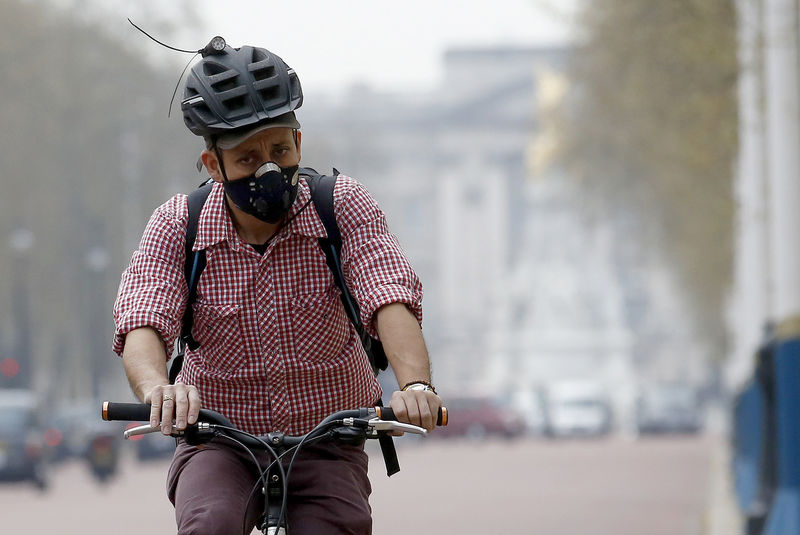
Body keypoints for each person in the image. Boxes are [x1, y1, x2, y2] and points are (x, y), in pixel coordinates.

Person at [112, 41, 441, 535]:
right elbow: (144, 316)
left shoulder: (342, 207)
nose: (268, 169)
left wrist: (415, 384)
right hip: (216, 440)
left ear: (299, 144)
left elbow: (386, 292)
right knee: (209, 524)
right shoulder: (178, 225)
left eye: (280, 150)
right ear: (211, 164)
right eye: (246, 158)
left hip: (328, 439)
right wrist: (158, 389)